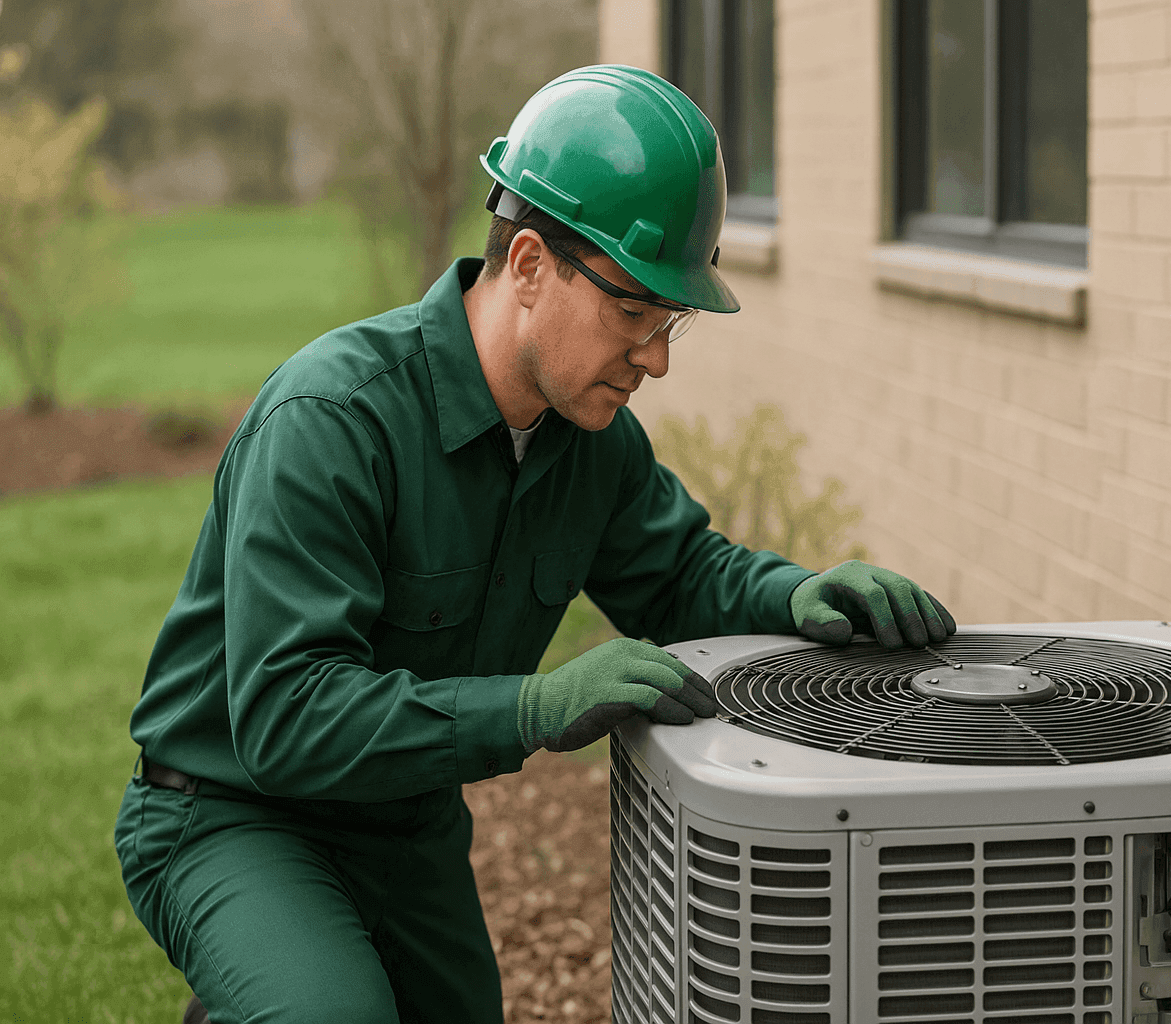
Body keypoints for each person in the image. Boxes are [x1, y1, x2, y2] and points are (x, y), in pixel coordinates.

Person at [114, 65, 955, 1024]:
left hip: (402, 819)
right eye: (632, 312)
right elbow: (286, 719)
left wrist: (798, 596)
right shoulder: (333, 423)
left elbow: (680, 577)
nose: (658, 357)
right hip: (230, 810)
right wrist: (536, 705)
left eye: (669, 318)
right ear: (527, 266)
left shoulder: (591, 442)